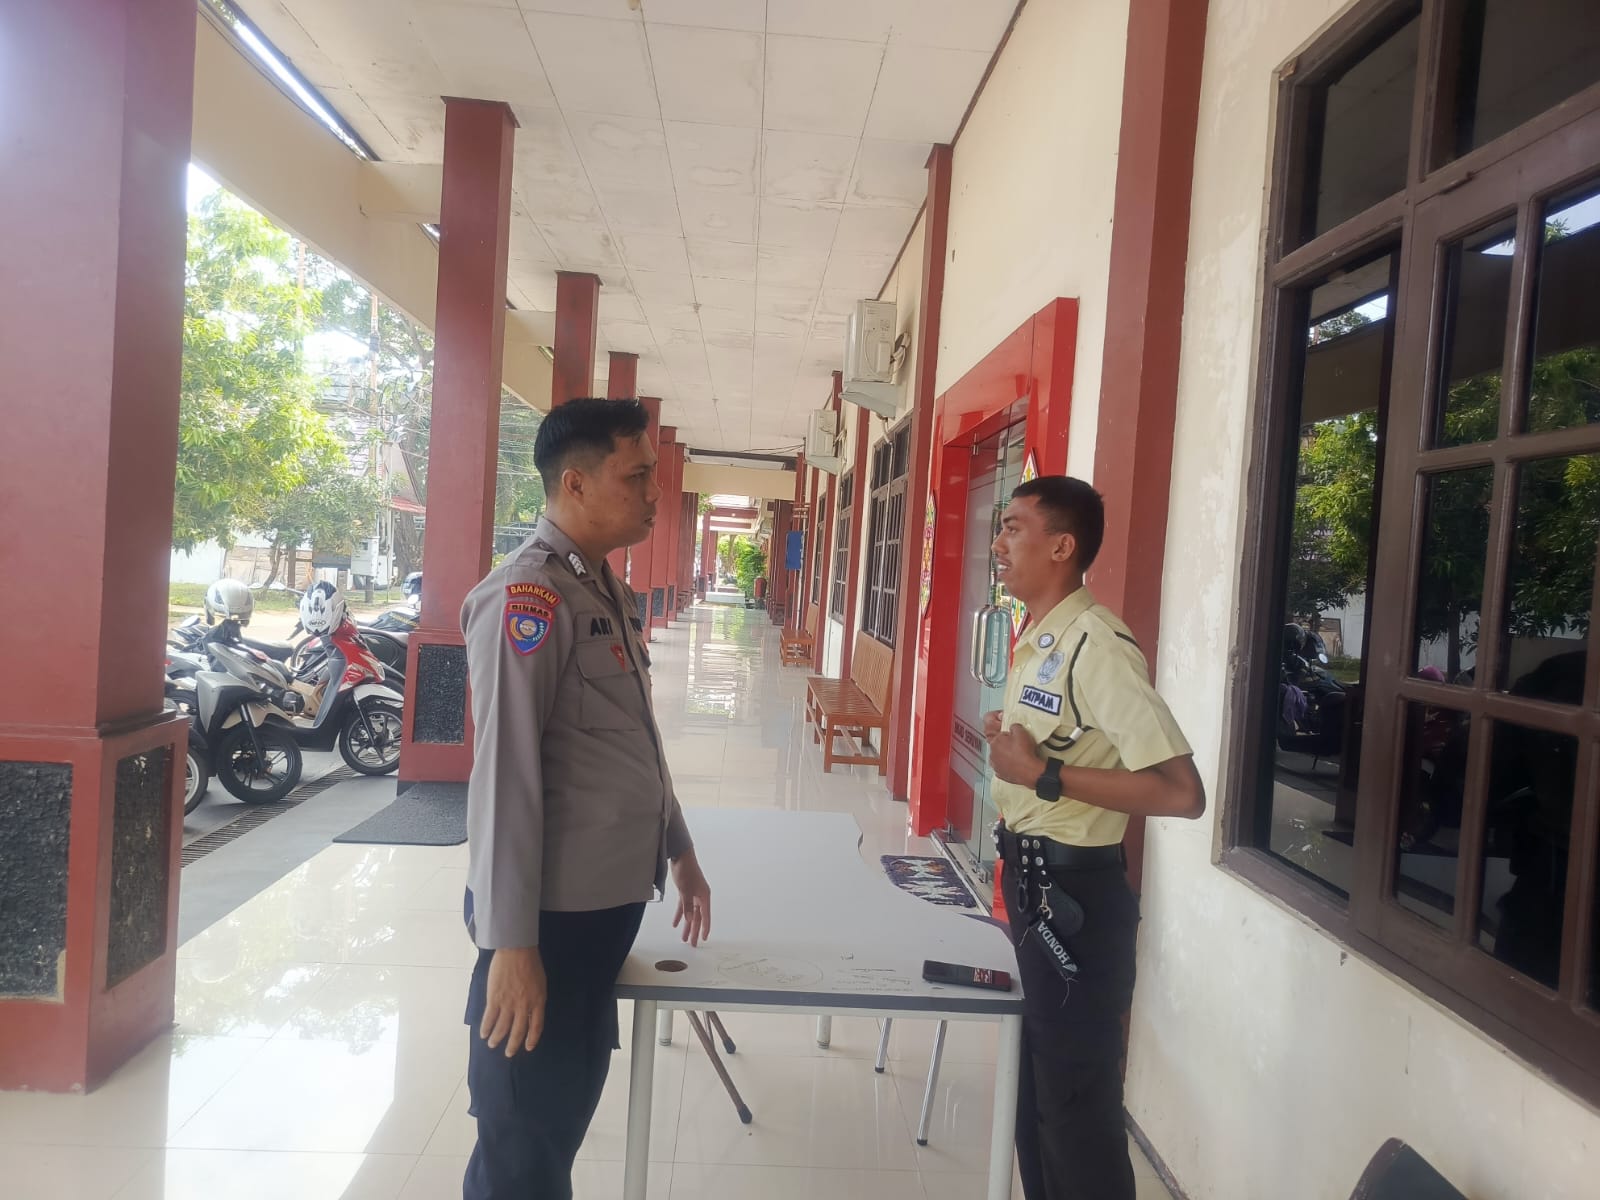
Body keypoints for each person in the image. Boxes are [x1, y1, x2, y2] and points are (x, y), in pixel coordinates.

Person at [458, 397, 712, 1200]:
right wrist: (511, 945)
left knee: (555, 1123)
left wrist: (678, 847)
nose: (653, 494)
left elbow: (631, 737)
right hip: (549, 923)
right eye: (636, 476)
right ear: (574, 483)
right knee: (522, 1144)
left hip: (599, 914)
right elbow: (505, 775)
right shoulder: (528, 597)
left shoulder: (602, 588)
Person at [982, 476, 1205, 1200]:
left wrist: (1042, 773)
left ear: (1062, 546)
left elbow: (1180, 792)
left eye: (1014, 527)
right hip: (1032, 884)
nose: (999, 543)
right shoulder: (1039, 639)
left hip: (1075, 902)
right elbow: (1065, 747)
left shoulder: (1098, 646)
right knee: (1034, 1099)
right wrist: (1019, 750)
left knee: (1075, 1111)